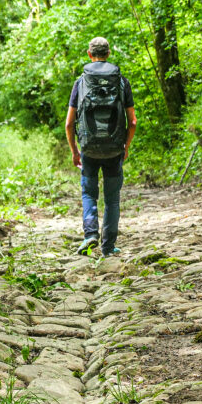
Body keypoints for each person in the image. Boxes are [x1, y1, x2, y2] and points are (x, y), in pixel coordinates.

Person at [65, 37, 137, 256]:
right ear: (109, 53)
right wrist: (126, 146)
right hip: (115, 147)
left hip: (88, 148)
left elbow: (69, 123)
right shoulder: (122, 82)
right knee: (112, 199)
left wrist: (74, 151)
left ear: (89, 54)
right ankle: (108, 247)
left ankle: (90, 236)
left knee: (89, 194)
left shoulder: (81, 82)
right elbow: (132, 121)